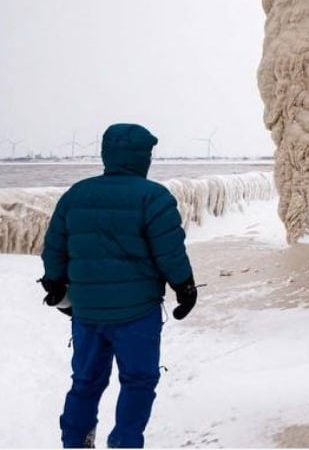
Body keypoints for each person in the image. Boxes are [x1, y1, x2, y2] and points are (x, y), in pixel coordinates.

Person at [39, 124, 199, 449]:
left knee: (85, 381)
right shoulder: (153, 197)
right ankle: (125, 442)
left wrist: (55, 283)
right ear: (143, 157)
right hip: (138, 313)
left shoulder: (76, 194)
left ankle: (75, 441)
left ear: (106, 154)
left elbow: (54, 246)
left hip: (86, 312)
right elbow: (169, 250)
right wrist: (185, 287)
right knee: (138, 381)